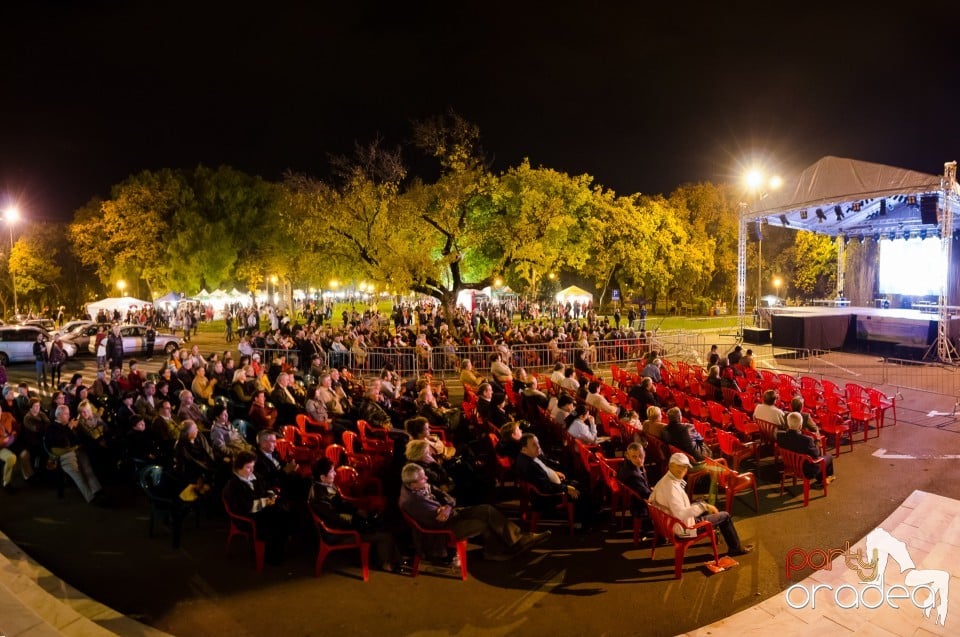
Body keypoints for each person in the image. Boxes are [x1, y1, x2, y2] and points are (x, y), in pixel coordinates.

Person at [398, 462, 549, 562]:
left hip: (452, 515)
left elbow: (450, 499)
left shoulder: (420, 486)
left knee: (487, 509)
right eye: (423, 478)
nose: (426, 479)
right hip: (442, 531)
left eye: (424, 475)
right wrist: (446, 508)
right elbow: (438, 520)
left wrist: (447, 506)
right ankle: (496, 550)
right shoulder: (413, 501)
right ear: (412, 484)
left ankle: (517, 539)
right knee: (483, 523)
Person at [650, 453, 752, 556]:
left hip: (671, 525)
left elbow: (652, 499)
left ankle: (715, 534)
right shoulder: (671, 488)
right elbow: (681, 514)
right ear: (671, 465)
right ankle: (735, 548)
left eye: (685, 467)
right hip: (685, 531)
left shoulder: (663, 481)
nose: (682, 470)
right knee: (725, 516)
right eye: (679, 466)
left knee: (703, 506)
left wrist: (702, 506)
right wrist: (704, 506)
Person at [309, 458, 402, 571]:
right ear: (322, 477)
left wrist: (357, 511)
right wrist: (357, 519)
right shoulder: (320, 497)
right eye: (332, 471)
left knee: (382, 525)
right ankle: (385, 564)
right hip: (336, 533)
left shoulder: (324, 486)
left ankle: (396, 560)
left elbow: (341, 504)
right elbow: (335, 518)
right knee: (384, 535)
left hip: (342, 525)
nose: (335, 473)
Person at [222, 450, 292, 566]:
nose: (252, 470)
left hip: (262, 509)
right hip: (248, 517)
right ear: (239, 468)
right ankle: (272, 554)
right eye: (248, 467)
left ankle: (278, 547)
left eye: (253, 467)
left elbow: (266, 488)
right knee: (278, 518)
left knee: (283, 511)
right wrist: (265, 502)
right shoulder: (234, 485)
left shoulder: (254, 477)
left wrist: (271, 495)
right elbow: (246, 507)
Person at [44, 405, 106, 505]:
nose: (69, 416)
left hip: (77, 451)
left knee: (87, 468)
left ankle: (97, 491)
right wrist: (69, 428)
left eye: (68, 414)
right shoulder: (52, 428)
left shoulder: (67, 425)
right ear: (59, 415)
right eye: (66, 414)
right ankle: (91, 497)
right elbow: (60, 443)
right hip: (64, 454)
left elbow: (77, 441)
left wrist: (75, 429)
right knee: (78, 475)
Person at [777, 412, 835, 485]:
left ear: (788, 424)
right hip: (806, 471)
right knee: (828, 456)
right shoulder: (807, 440)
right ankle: (825, 478)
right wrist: (816, 443)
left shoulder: (780, 435)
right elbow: (816, 455)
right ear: (800, 426)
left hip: (789, 466)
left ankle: (823, 478)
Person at [617, 442, 651, 530]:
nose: (639, 459)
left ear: (644, 453)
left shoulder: (626, 464)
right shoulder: (633, 476)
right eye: (634, 457)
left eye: (640, 455)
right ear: (628, 456)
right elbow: (647, 495)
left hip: (636, 497)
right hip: (639, 505)